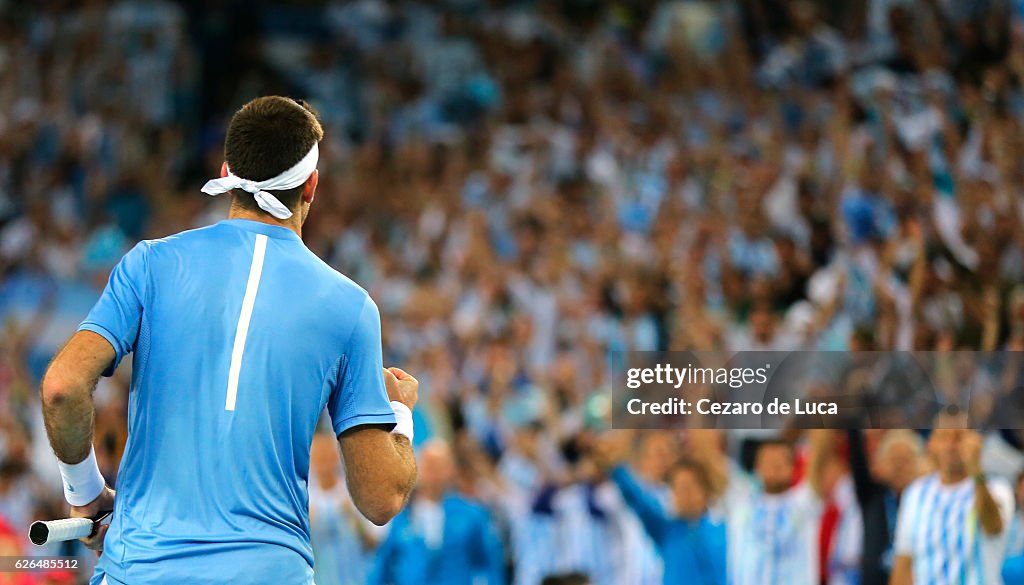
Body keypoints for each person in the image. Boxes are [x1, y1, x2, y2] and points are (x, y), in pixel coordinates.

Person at [39, 96, 419, 585]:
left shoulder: (150, 263)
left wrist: (86, 494)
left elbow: (62, 387)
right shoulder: (351, 307)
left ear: (226, 173)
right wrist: (400, 413)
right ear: (312, 186)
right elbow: (381, 498)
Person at [890, 418, 1015, 585]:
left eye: (958, 437)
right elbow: (903, 562)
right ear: (931, 444)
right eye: (943, 437)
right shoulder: (915, 494)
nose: (950, 445)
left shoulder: (996, 489)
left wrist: (976, 471)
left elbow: (993, 526)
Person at [596, 433, 727, 585]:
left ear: (705, 491)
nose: (682, 495)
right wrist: (615, 467)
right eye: (677, 489)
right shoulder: (666, 530)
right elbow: (637, 499)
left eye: (688, 487)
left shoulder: (724, 531)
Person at [369, 440, 505, 585]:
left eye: (439, 466)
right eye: (429, 465)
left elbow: (490, 563)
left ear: (451, 470)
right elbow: (383, 566)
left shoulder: (470, 514)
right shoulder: (402, 516)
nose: (433, 473)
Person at [847, 429, 925, 585]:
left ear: (919, 465)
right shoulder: (870, 495)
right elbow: (857, 459)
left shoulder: (927, 502)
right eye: (894, 460)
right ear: (880, 464)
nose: (899, 467)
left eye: (906, 460)